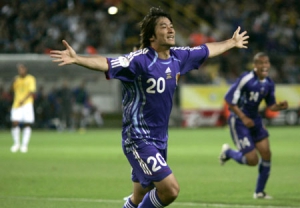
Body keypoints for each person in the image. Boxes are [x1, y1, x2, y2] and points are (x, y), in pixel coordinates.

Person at [50, 7, 249, 208]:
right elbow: (107, 63)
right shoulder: (139, 60)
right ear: (152, 36)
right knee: (170, 190)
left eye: (172, 26)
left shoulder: (178, 57)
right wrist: (78, 59)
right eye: (164, 27)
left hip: (160, 139)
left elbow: (207, 50)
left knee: (139, 197)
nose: (171, 30)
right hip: (138, 137)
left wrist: (232, 42)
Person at [219, 52, 288, 199]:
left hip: (255, 120)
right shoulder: (246, 79)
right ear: (255, 65)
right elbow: (229, 99)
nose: (264, 66)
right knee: (252, 160)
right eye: (261, 63)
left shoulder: (269, 83)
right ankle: (228, 153)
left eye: (266, 63)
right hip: (239, 121)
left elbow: (271, 106)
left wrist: (279, 106)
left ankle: (259, 192)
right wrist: (243, 117)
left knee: (266, 154)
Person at [10, 64, 36, 153]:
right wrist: (12, 82)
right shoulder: (16, 79)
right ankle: (16, 144)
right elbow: (11, 91)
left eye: (21, 69)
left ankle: (24, 145)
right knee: (15, 122)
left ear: (26, 69)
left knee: (27, 124)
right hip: (17, 104)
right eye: (19, 69)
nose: (20, 71)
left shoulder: (31, 79)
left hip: (27, 104)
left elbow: (31, 91)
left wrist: (23, 100)